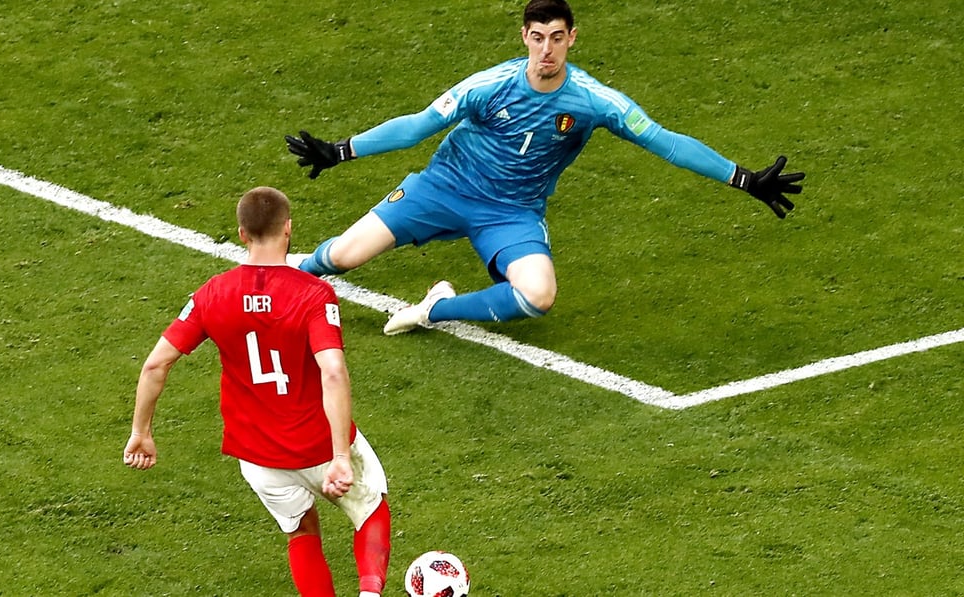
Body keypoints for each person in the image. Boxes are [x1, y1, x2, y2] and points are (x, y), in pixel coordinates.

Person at [285, 0, 805, 336]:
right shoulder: (488, 85)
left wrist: (743, 178)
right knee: (342, 258)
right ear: (524, 37)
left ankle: (433, 309)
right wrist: (341, 150)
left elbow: (665, 143)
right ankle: (270, 283)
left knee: (538, 296)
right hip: (442, 189)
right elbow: (420, 125)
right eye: (538, 37)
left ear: (572, 38)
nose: (546, 49)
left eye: (557, 37)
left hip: (511, 212)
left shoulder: (595, 102)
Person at [122, 186, 391, 597]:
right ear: (288, 228)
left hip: (258, 455)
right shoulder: (313, 294)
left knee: (301, 529)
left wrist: (141, 431)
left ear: (242, 233)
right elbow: (333, 371)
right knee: (371, 510)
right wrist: (340, 456)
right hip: (316, 442)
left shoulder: (211, 294)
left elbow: (156, 363)